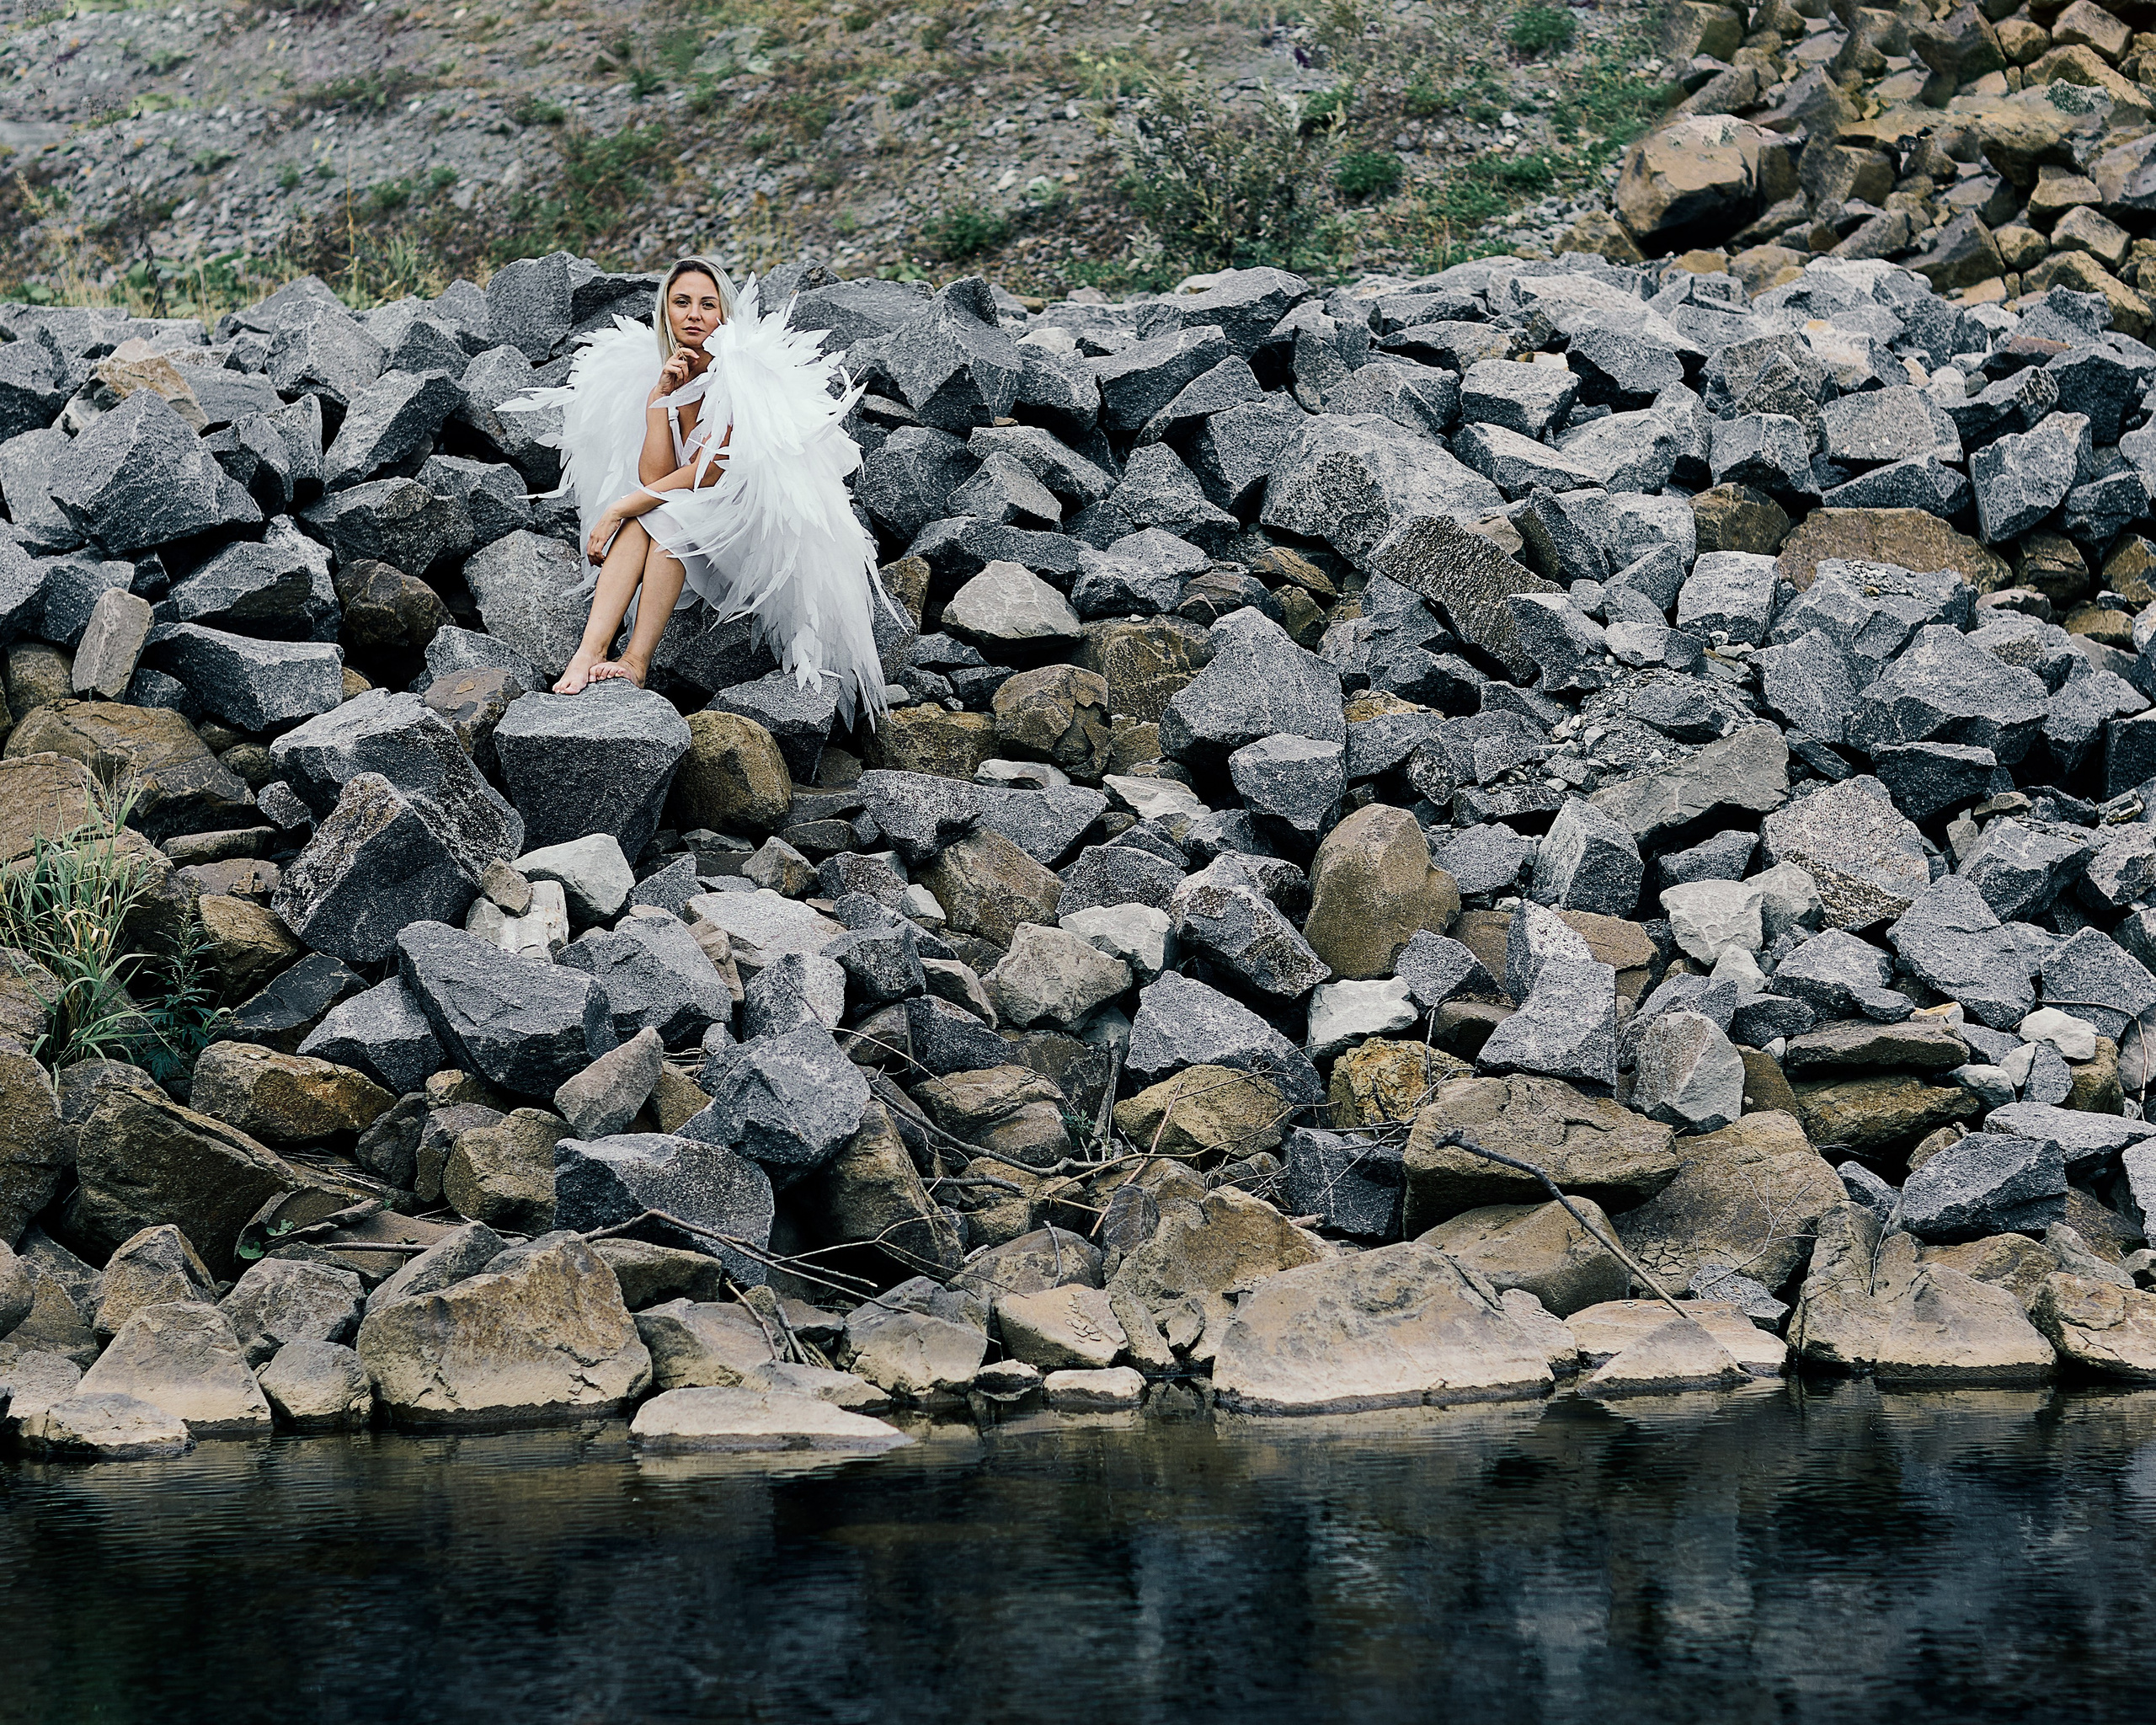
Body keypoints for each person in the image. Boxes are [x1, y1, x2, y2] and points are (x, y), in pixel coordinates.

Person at [506, 256, 891, 719]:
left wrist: (617, 508)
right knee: (653, 512)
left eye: (707, 305)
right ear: (665, 311)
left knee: (657, 513)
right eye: (682, 302)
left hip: (754, 529)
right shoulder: (672, 371)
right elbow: (657, 477)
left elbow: (709, 472)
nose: (694, 314)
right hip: (699, 518)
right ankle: (591, 651)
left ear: (724, 314)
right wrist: (659, 403)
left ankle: (636, 660)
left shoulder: (739, 370)